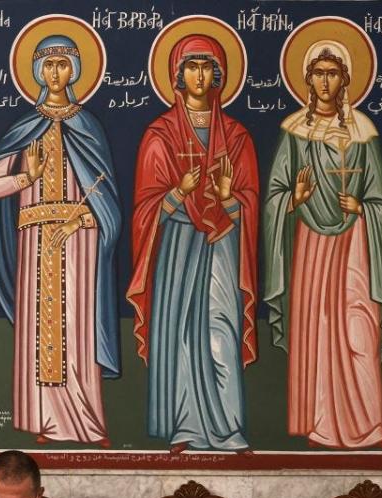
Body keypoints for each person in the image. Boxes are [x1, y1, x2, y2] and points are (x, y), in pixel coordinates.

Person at [0, 35, 121, 447]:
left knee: (75, 327)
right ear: (37, 72)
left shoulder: (87, 126)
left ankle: (84, 421)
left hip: (79, 238)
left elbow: (105, 196)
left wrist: (78, 221)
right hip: (35, 238)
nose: (55, 73)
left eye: (63, 64)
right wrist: (27, 176)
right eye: (48, 65)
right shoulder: (26, 129)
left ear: (74, 71)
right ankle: (45, 419)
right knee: (40, 328)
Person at [125, 34, 259, 452]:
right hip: (177, 244)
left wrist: (227, 200)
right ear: (177, 75)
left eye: (206, 67)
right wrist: (177, 194)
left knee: (221, 328)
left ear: (217, 74)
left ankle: (229, 426)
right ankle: (186, 426)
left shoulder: (236, 136)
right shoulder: (159, 135)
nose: (199, 75)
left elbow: (250, 202)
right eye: (191, 66)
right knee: (179, 332)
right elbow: (146, 207)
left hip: (221, 244)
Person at [263, 40, 382, 449]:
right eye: (318, 73)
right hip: (311, 247)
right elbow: (274, 197)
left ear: (345, 79)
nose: (324, 81)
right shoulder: (294, 132)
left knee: (360, 330)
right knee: (317, 331)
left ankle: (369, 424)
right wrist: (293, 200)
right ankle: (322, 423)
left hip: (356, 243)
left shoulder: (363, 132)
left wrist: (363, 207)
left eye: (332, 73)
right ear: (307, 78)